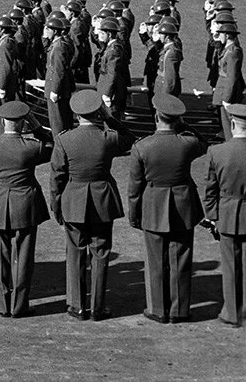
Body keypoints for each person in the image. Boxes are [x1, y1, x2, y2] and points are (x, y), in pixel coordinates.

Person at [50, 90, 135, 321]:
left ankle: (77, 305)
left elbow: (57, 177)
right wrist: (109, 117)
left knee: (75, 253)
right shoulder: (107, 138)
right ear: (97, 113)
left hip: (73, 200)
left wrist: (57, 207)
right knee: (100, 253)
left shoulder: (64, 139)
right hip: (102, 200)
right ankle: (98, 306)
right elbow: (129, 137)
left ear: (76, 114)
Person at [128, 94, 207, 324]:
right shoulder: (187, 143)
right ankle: (179, 310)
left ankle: (158, 309)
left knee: (155, 261)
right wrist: (184, 125)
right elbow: (204, 144)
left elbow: (134, 187)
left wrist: (134, 215)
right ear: (177, 119)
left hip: (153, 205)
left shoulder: (142, 147)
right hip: (183, 205)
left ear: (156, 116)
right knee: (181, 258)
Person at [0, 100, 53, 318]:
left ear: (3, 121)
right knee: (23, 258)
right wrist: (36, 125)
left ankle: (2, 304)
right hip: (25, 205)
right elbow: (53, 145)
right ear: (23, 123)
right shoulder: (32, 147)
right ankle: (20, 305)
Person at [204, 103, 246, 327]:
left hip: (228, 213)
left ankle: (232, 312)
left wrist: (212, 215)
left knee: (230, 266)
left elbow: (210, 189)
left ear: (232, 124)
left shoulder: (217, 152)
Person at [212, 23, 245, 140]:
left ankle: (231, 146)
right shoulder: (228, 50)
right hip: (224, 90)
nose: (219, 36)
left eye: (221, 34)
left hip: (227, 93)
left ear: (227, 35)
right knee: (226, 124)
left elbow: (231, 77)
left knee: (228, 126)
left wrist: (227, 98)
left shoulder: (232, 52)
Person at [43, 16, 75, 135]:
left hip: (56, 87)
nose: (46, 31)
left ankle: (59, 142)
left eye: (48, 29)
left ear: (55, 31)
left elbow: (58, 70)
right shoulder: (59, 44)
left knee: (57, 121)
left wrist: (55, 90)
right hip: (60, 86)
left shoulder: (58, 47)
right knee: (62, 118)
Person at [0, 15, 19, 134]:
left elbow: (5, 67)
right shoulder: (6, 41)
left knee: (0, 115)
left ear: (2, 29)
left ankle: (2, 136)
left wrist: (1, 86)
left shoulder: (5, 44)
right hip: (0, 82)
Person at [93, 17, 126, 118]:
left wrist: (107, 93)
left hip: (110, 92)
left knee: (110, 118)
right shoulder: (111, 47)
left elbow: (112, 73)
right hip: (107, 89)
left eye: (102, 33)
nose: (100, 36)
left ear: (110, 35)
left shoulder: (113, 51)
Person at [153, 21, 183, 99]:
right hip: (160, 86)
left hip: (164, 88)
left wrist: (165, 95)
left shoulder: (171, 53)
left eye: (161, 34)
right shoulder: (167, 48)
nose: (159, 36)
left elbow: (170, 78)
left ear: (167, 37)